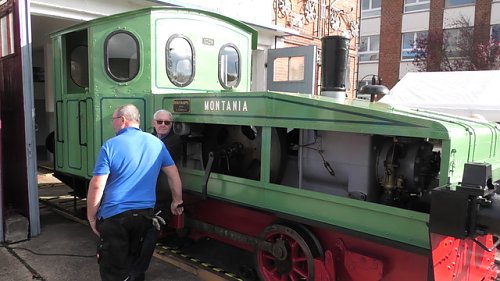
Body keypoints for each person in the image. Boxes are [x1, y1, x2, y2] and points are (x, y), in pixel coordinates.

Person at [86, 104, 183, 281]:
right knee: (135, 265)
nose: (113, 124)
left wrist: (92, 216)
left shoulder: (110, 146)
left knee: (113, 269)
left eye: (113, 120)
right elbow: (173, 175)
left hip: (115, 216)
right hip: (145, 217)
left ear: (122, 120)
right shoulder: (157, 144)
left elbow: (97, 186)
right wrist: (177, 200)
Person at [128, 109, 184, 280]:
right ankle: (132, 268)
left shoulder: (175, 141)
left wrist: (177, 199)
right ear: (153, 123)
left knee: (152, 234)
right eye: (159, 122)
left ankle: (138, 272)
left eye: (167, 123)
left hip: (161, 196)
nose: (163, 125)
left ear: (171, 125)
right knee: (136, 233)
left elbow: (158, 162)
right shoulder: (145, 138)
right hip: (141, 195)